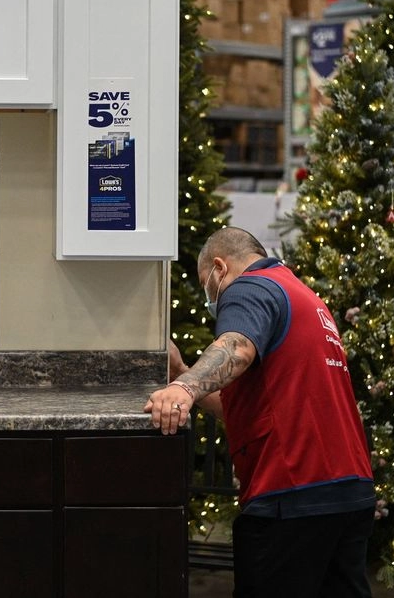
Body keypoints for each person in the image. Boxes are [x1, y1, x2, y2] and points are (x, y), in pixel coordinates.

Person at [145, 226, 375, 598]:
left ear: (220, 268)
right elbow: (244, 406)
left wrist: (181, 389)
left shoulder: (251, 287)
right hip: (348, 492)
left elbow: (236, 348)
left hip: (292, 492)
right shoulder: (303, 297)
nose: (212, 297)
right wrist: (183, 372)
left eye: (208, 284)